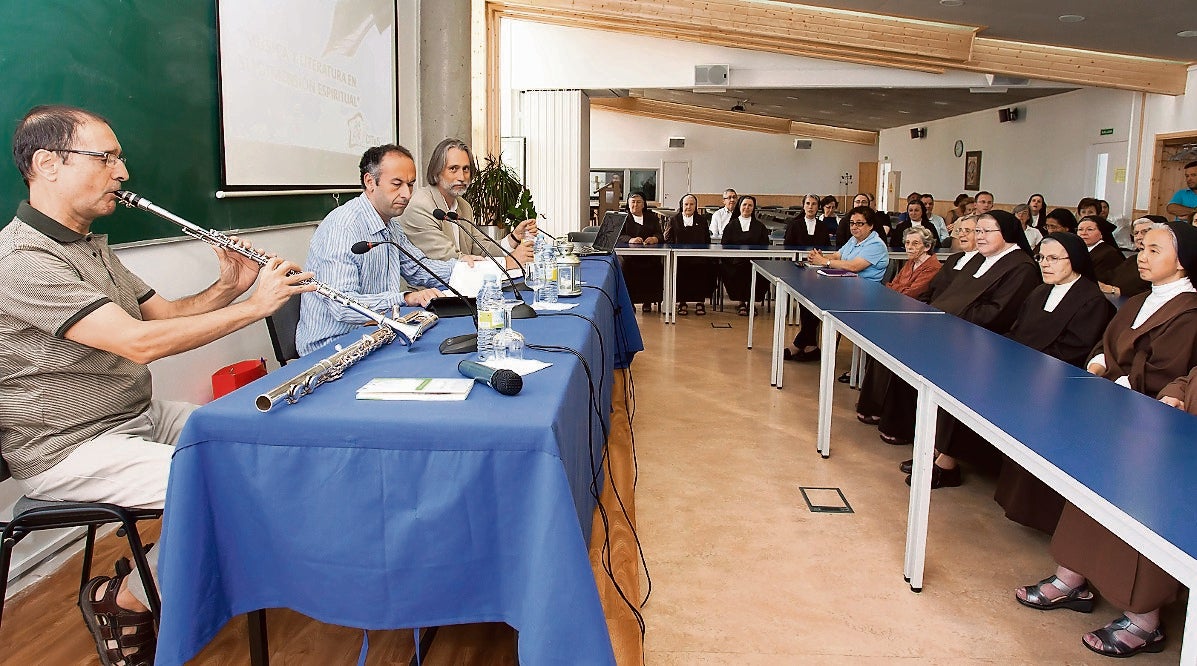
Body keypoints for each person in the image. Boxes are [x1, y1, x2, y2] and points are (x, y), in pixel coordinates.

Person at [0, 105, 315, 665]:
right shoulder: (20, 260)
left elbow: (162, 314)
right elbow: (138, 343)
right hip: (67, 444)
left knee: (261, 445)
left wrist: (229, 288)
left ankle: (163, 562)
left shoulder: (89, 245)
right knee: (223, 484)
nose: (122, 172)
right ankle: (127, 598)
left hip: (134, 415)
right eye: (107, 157)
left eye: (119, 158)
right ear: (47, 164)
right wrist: (258, 307)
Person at [1016, 221, 1197, 659]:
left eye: (1155, 249)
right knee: (1090, 491)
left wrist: (1114, 380)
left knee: (1139, 509)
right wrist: (1097, 365)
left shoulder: (1189, 311)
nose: (1143, 255)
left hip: (1149, 424)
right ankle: (1072, 577)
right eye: (1142, 247)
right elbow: (1106, 344)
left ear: (1183, 260)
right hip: (1113, 408)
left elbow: (1164, 370)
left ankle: (1144, 619)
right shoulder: (1140, 299)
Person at [918, 233, 1115, 491]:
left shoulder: (1092, 301)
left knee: (978, 384)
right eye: (1042, 258)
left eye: (1054, 258)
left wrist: (1017, 366)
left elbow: (1073, 351)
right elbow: (1016, 330)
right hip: (1020, 365)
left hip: (1052, 377)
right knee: (964, 373)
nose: (1045, 264)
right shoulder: (1041, 291)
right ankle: (942, 450)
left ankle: (947, 460)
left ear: (1075, 260)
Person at [872, 211, 1041, 447]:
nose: (979, 237)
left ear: (1007, 234)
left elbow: (998, 313)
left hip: (982, 342)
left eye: (986, 232)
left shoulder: (1021, 267)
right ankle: (904, 427)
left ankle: (934, 445)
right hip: (949, 329)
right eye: (978, 231)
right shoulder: (982, 259)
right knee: (901, 352)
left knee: (920, 360)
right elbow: (950, 296)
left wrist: (946, 322)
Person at [296, 144, 455, 356]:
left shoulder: (391, 225)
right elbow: (343, 306)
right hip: (332, 348)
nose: (406, 194)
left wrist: (471, 270)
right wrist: (405, 298)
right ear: (370, 182)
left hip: (374, 334)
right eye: (397, 184)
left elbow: (419, 269)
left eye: (410, 185)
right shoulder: (344, 227)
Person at [398, 138, 534, 268]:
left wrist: (514, 238)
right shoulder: (421, 206)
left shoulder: (463, 206)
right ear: (436, 172)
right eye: (453, 169)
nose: (461, 177)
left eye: (466, 169)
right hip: (430, 290)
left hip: (464, 287)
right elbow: (451, 260)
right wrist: (508, 263)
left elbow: (481, 248)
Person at [853, 226, 942, 416]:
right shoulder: (910, 264)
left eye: (915, 243)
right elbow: (893, 285)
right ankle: (872, 401)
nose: (909, 247)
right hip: (897, 312)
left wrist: (893, 292)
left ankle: (881, 404)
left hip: (915, 320)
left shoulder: (932, 267)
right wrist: (893, 292)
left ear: (926, 247)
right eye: (907, 243)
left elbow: (912, 293)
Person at [785, 206, 889, 361]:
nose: (854, 227)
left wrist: (825, 262)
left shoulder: (876, 245)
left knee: (817, 300)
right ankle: (809, 345)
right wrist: (820, 257)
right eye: (852, 223)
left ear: (871, 225)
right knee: (807, 295)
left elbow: (854, 266)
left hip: (863, 293)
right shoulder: (854, 240)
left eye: (859, 223)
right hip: (844, 285)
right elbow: (837, 255)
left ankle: (802, 344)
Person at [720, 194, 770, 316]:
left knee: (756, 273)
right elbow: (725, 245)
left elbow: (765, 246)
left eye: (750, 205)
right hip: (735, 262)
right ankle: (741, 302)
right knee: (738, 271)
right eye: (744, 205)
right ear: (739, 206)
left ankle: (751, 303)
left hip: (755, 262)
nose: (747, 208)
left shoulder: (760, 227)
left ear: (753, 208)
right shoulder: (731, 225)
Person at [664, 193, 714, 315]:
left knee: (704, 270)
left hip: (698, 257)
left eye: (692, 204)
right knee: (680, 271)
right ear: (681, 205)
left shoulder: (702, 220)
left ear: (696, 206)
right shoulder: (674, 220)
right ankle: (682, 302)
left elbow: (707, 239)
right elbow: (668, 239)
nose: (689, 207)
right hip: (679, 258)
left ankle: (700, 302)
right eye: (686, 204)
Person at [619, 191, 665, 312]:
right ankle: (631, 302)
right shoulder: (623, 218)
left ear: (644, 204)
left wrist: (654, 238)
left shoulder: (652, 218)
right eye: (633, 202)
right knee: (627, 269)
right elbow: (619, 236)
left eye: (639, 202)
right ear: (628, 205)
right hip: (630, 258)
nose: (636, 205)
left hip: (650, 257)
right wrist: (630, 239)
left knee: (656, 268)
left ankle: (648, 301)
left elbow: (660, 234)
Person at [1098, 216, 1162, 299]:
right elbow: (1110, 276)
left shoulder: (1161, 261)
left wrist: (1115, 290)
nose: (1139, 237)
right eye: (1136, 233)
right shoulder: (1132, 259)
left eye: (1145, 232)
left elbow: (1155, 292)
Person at [1076, 215, 1124, 282]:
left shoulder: (1108, 254)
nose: (1083, 233)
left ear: (1101, 234)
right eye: (1080, 229)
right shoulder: (1076, 249)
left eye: (1090, 229)